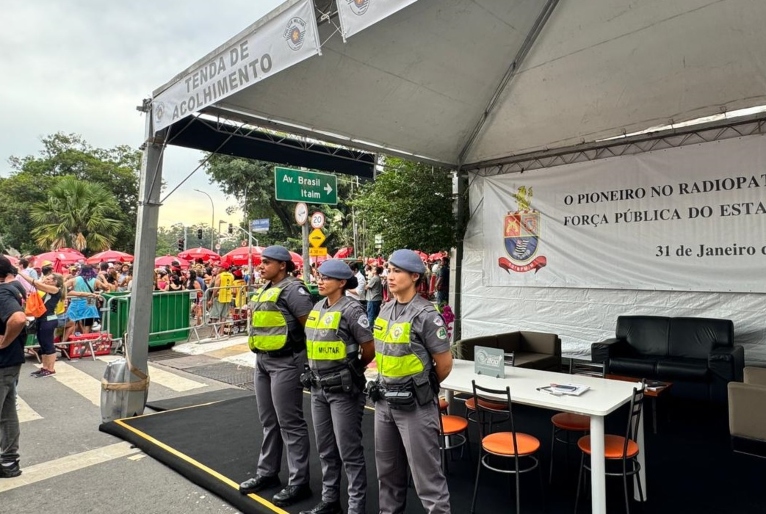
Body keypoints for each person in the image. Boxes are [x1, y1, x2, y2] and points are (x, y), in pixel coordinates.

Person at [370, 249, 453, 514]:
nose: (389, 276)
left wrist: (419, 388)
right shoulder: (385, 309)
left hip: (415, 407)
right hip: (384, 404)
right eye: (388, 270)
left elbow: (444, 365)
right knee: (388, 475)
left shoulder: (427, 315)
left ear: (414, 276)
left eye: (396, 271)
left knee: (427, 480)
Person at [239, 246, 314, 507]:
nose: (261, 266)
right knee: (269, 421)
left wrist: (309, 363)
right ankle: (267, 473)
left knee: (290, 423)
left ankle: (299, 482)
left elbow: (311, 329)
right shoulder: (266, 288)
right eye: (262, 262)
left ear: (282, 265)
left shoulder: (294, 290)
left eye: (266, 262)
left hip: (286, 362)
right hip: (262, 361)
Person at [299, 260, 374, 514]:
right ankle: (330, 500)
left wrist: (354, 370)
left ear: (341, 283)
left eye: (326, 278)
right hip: (318, 390)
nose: (319, 281)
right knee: (326, 449)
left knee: (349, 452)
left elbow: (369, 348)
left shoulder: (353, 310)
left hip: (344, 391)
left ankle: (356, 508)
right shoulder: (317, 307)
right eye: (319, 277)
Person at [0, 256, 27, 478]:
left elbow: (18, 319)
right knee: (7, 412)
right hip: (10, 361)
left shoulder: (2, 292)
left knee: (6, 412)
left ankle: (9, 460)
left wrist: (4, 341)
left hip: (3, 361)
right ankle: (9, 461)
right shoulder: (12, 287)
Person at [17, 271, 64, 377]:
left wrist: (20, 273)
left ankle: (50, 369)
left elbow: (36, 283)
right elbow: (37, 284)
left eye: (48, 279)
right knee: (43, 345)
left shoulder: (55, 289)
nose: (46, 280)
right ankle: (45, 367)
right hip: (42, 319)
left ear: (55, 282)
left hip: (48, 320)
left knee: (48, 344)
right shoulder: (49, 290)